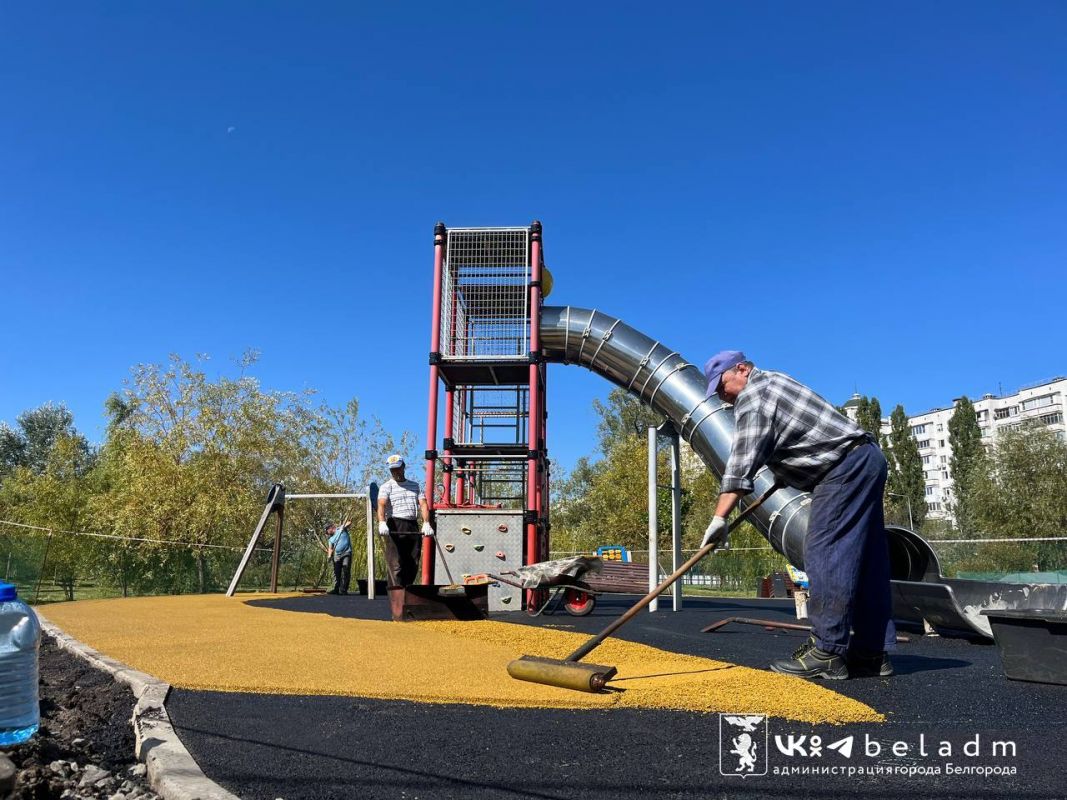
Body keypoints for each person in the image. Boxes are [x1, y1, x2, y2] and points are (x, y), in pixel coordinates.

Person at [701, 350, 895, 680]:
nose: (721, 396)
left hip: (841, 471)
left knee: (824, 554)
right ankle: (871, 654)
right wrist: (785, 472)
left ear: (742, 370)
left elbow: (740, 464)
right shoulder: (776, 381)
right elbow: (800, 435)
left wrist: (720, 518)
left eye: (721, 386)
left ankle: (828, 652)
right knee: (865, 561)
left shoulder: (753, 395)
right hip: (865, 459)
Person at [376, 455, 434, 587]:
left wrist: (426, 522)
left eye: (397, 469)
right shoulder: (386, 487)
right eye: (392, 470)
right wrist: (382, 522)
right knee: (396, 563)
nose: (395, 472)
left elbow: (423, 504)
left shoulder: (414, 486)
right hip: (395, 525)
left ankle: (407, 591)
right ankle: (396, 593)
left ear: (403, 467)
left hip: (412, 525)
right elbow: (381, 505)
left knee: (412, 562)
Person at [326, 519, 353, 595]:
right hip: (337, 556)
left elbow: (349, 522)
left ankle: (344, 590)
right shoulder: (331, 539)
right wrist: (329, 556)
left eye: (327, 530)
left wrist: (343, 527)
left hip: (346, 553)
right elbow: (330, 548)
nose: (327, 533)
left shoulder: (341, 529)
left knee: (346, 570)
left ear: (330, 528)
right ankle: (336, 589)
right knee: (337, 572)